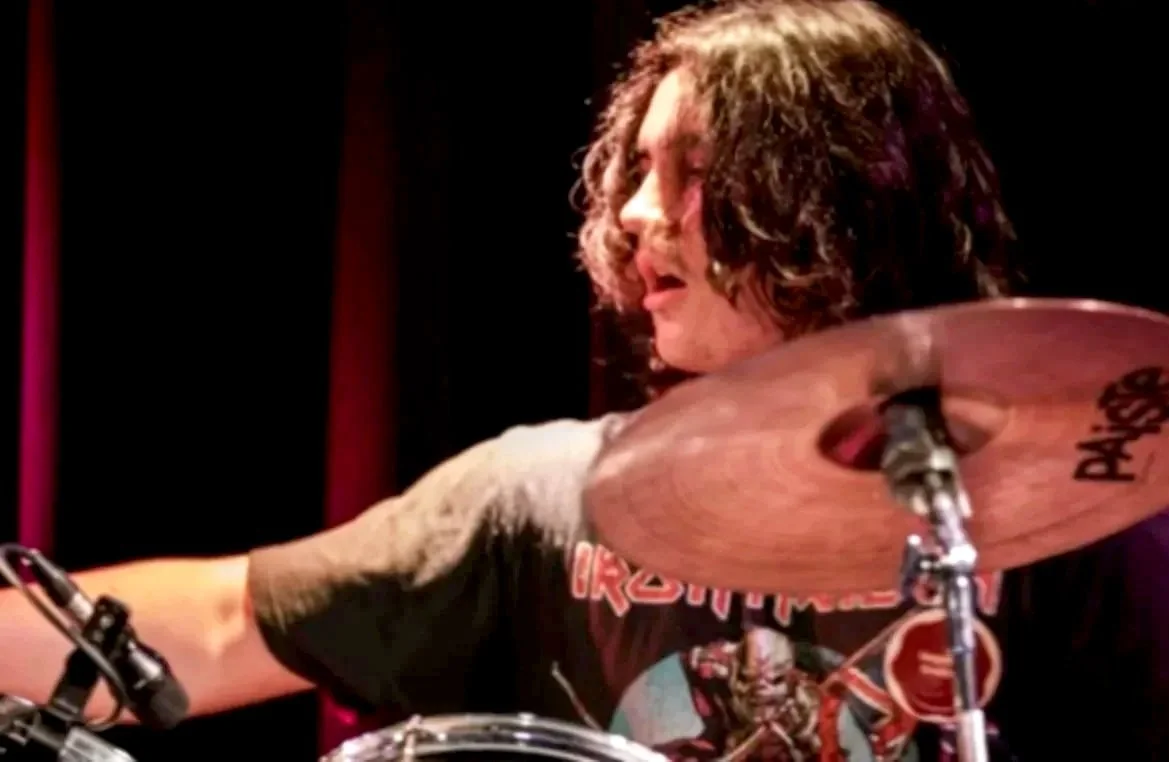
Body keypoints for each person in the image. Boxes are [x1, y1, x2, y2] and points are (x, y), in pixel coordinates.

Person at [3, 1, 1168, 759]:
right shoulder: (544, 495)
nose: (635, 214)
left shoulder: (1069, 510)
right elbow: (207, 624)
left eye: (695, 174)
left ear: (839, 198)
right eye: (637, 170)